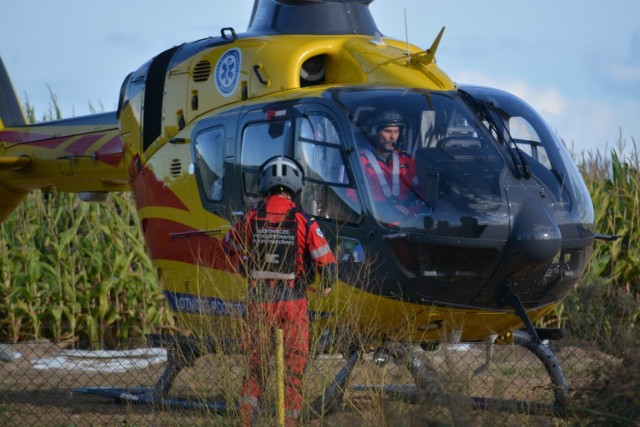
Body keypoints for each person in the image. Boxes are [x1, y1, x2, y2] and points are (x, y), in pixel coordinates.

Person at [223, 156, 337, 426]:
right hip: (293, 304)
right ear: (296, 185)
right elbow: (327, 263)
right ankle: (290, 422)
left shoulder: (250, 219)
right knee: (293, 369)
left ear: (265, 184)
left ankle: (246, 420)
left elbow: (228, 247)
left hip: (259, 303)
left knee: (255, 367)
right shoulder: (305, 222)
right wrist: (326, 286)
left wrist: (244, 267)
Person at [359, 110, 421, 217]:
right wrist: (385, 208)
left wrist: (415, 210)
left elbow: (421, 191)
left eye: (396, 132)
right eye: (387, 131)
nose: (392, 137)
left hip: (409, 219)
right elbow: (352, 197)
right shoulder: (361, 160)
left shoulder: (406, 160)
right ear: (376, 133)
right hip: (376, 219)